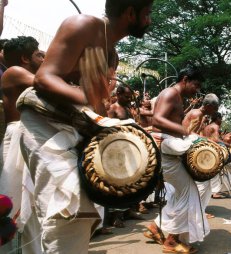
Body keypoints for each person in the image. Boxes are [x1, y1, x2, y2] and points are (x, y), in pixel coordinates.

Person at [17, 0, 154, 253]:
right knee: (68, 208)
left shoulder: (112, 52)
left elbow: (96, 105)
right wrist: (85, 97)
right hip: (43, 123)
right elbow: (43, 78)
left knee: (82, 214)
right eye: (147, 14)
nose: (149, 21)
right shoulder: (84, 25)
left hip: (73, 128)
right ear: (130, 12)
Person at [144, 66, 209, 253]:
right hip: (166, 153)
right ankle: (171, 241)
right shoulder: (170, 93)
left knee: (180, 195)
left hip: (172, 152)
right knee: (189, 193)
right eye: (195, 85)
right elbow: (157, 120)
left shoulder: (178, 97)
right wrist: (185, 133)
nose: (196, 90)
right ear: (186, 79)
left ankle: (156, 228)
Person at [0, 36, 44, 254]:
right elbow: (46, 82)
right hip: (18, 138)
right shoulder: (13, 72)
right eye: (39, 55)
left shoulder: (35, 77)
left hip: (29, 139)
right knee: (15, 206)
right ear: (25, 58)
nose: (44, 59)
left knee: (33, 207)